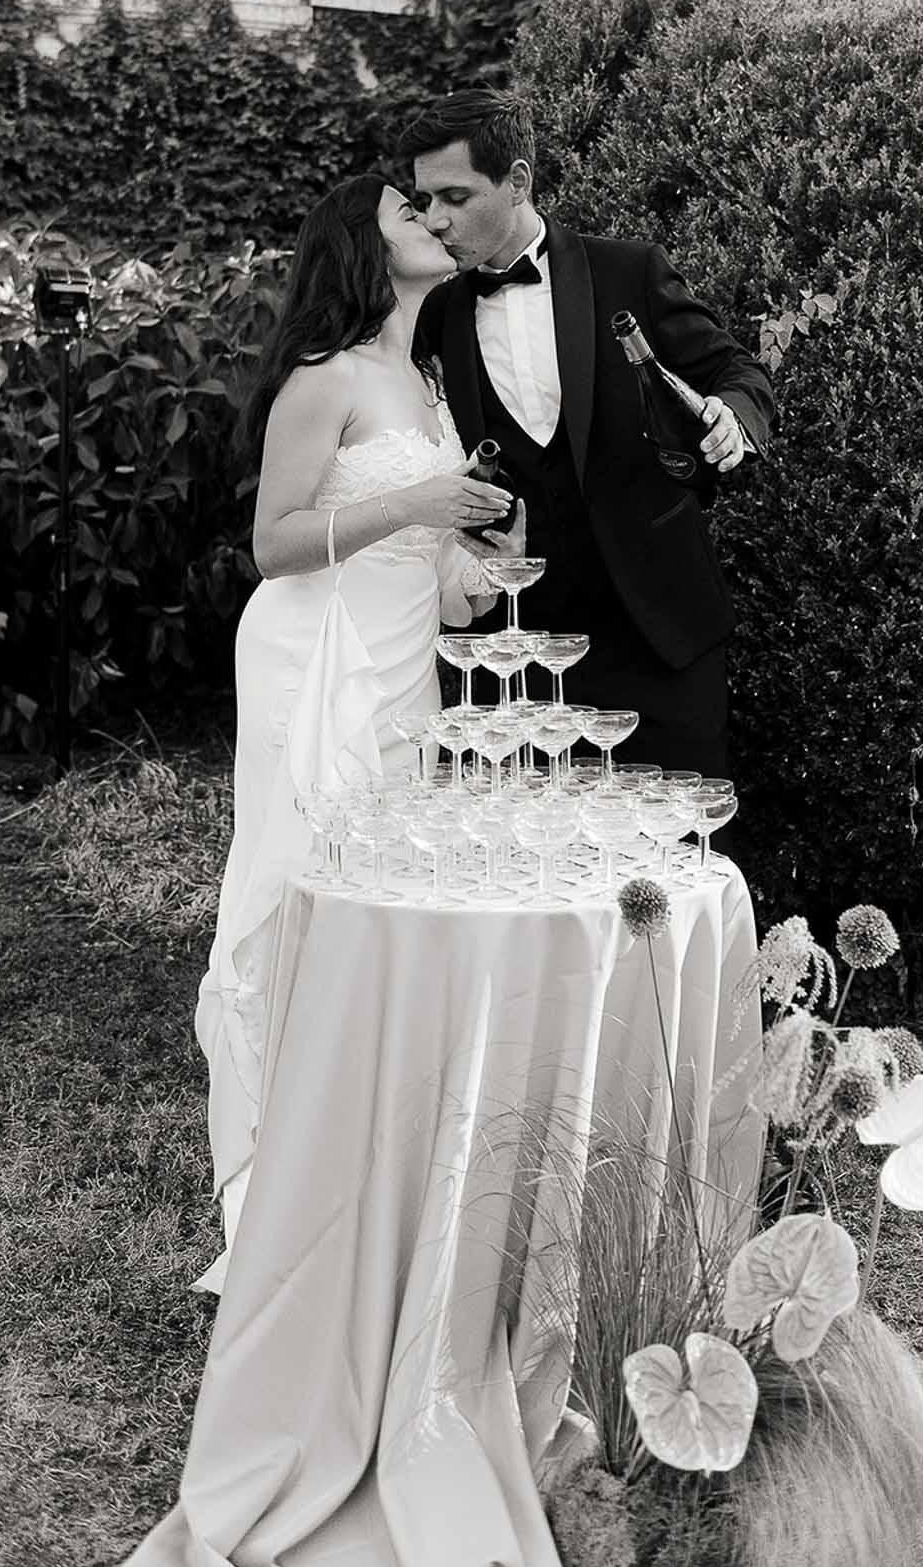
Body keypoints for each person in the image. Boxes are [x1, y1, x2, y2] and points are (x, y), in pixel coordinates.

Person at [193, 171, 519, 1293]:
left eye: (434, 209)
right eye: (405, 213)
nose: (433, 220)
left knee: (381, 902)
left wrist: (471, 572)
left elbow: (415, 559)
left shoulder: (424, 382)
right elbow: (275, 542)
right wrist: (422, 508)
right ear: (357, 245)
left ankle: (362, 1169)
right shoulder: (323, 377)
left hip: (401, 670)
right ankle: (273, 1192)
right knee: (298, 893)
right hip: (312, 659)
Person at [402, 88, 775, 780]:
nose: (434, 220)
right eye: (424, 202)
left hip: (658, 628)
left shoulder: (626, 270)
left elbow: (734, 368)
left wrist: (733, 414)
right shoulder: (435, 314)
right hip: (517, 648)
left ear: (517, 181)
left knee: (677, 851)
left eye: (454, 196)